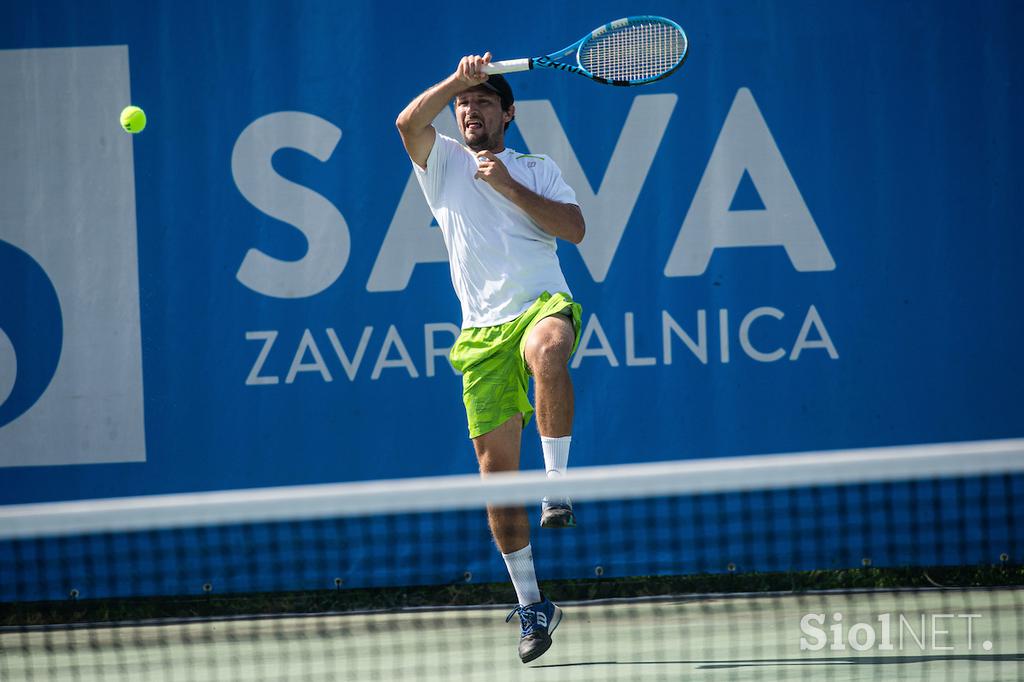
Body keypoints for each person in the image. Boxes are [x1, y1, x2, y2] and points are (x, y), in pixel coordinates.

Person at [395, 52, 585, 663]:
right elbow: (406, 124)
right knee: (495, 480)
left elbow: (574, 229)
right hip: (480, 334)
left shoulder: (539, 167)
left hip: (539, 305)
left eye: (482, 101)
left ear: (509, 113)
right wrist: (457, 76)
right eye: (463, 104)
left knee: (550, 349)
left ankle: (557, 486)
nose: (469, 109)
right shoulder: (443, 161)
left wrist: (508, 185)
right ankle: (533, 605)